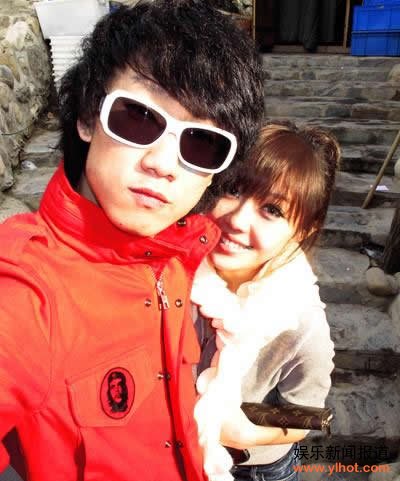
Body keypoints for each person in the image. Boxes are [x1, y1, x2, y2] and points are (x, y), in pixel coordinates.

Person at [0, 1, 264, 480]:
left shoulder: (184, 252)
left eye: (201, 144)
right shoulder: (26, 293)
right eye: (139, 118)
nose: (162, 164)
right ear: (87, 117)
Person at [191, 122, 339, 481]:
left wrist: (246, 435)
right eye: (233, 189)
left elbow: (306, 415)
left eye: (272, 209)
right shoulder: (174, 272)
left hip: (256, 467)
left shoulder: (299, 322)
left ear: (303, 230)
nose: (238, 219)